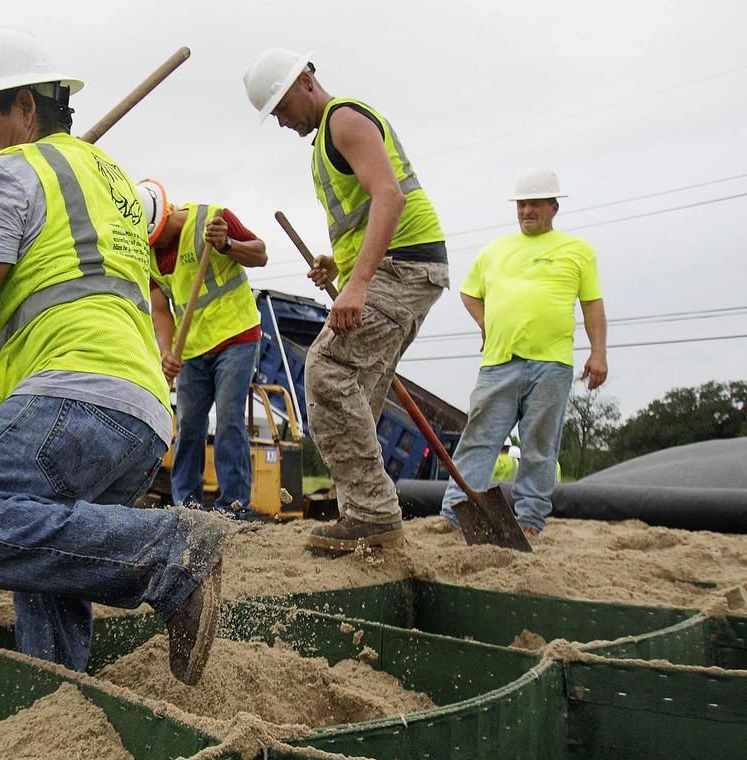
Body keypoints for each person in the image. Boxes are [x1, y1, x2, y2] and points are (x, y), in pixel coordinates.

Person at [0, 29, 226, 683]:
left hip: (76, 394)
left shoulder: (11, 171)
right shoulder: (109, 176)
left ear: (25, 108)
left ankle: (167, 553)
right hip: (141, 412)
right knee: (47, 555)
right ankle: (56, 695)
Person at [243, 48, 449, 553]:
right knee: (359, 387)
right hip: (404, 266)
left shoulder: (344, 119)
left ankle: (373, 514)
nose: (282, 120)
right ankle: (366, 521)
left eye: (281, 107)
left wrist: (356, 285)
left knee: (327, 368)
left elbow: (390, 196)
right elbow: (365, 214)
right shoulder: (329, 138)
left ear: (305, 82)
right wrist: (339, 264)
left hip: (402, 266)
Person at [441, 170, 607, 536]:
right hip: (499, 362)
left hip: (552, 364)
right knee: (479, 439)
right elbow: (469, 294)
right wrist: (488, 326)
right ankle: (455, 514)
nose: (527, 210)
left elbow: (592, 305)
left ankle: (530, 520)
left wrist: (598, 353)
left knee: (540, 446)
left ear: (554, 207)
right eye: (522, 204)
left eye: (535, 203)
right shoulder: (495, 250)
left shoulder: (577, 251)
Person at [135, 179, 269, 518]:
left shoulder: (213, 219)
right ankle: (187, 509)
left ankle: (233, 507)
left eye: (158, 238)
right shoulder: (148, 255)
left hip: (236, 336)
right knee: (189, 426)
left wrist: (228, 245)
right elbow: (160, 308)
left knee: (228, 420)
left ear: (165, 218)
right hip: (192, 348)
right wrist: (166, 351)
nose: (157, 246)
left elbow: (260, 254)